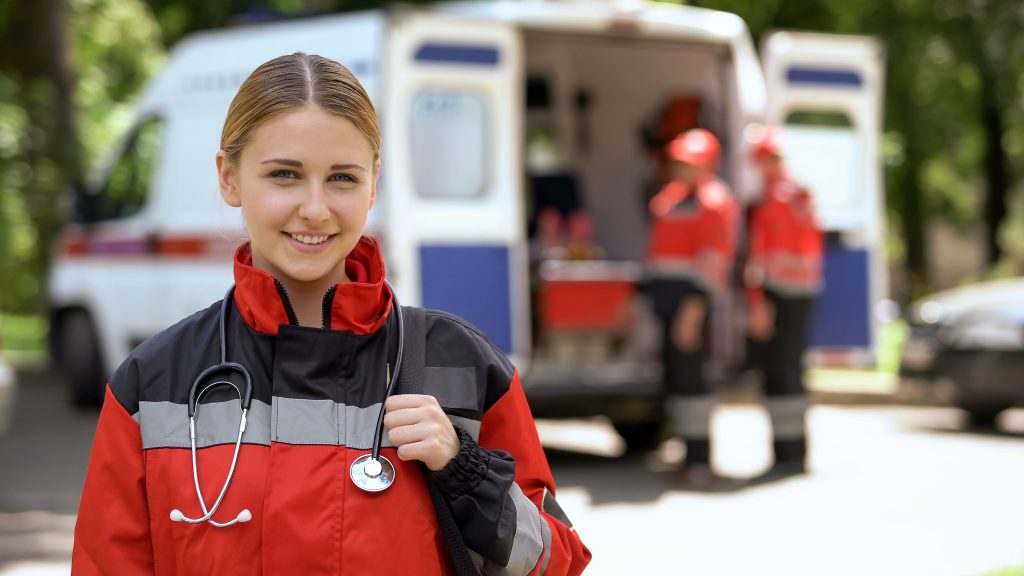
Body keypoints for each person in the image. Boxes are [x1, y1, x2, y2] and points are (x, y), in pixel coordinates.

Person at [72, 53, 591, 575]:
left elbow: (557, 564)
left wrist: (465, 469)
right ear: (229, 178)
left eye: (342, 177)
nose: (316, 208)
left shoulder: (463, 366)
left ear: (373, 183)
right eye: (285, 175)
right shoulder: (153, 381)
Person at [645, 128, 737, 487]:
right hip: (667, 301)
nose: (681, 169)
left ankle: (700, 460)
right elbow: (658, 252)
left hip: (690, 304)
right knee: (676, 379)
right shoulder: (671, 198)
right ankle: (685, 453)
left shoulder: (714, 201)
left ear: (709, 165)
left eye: (689, 163)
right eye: (679, 162)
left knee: (692, 379)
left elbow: (714, 262)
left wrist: (693, 312)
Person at [744, 126, 824, 478]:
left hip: (777, 294)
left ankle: (785, 456)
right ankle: (793, 454)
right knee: (790, 372)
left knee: (780, 374)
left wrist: (756, 301)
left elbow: (758, 258)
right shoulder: (801, 195)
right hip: (803, 293)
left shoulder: (771, 201)